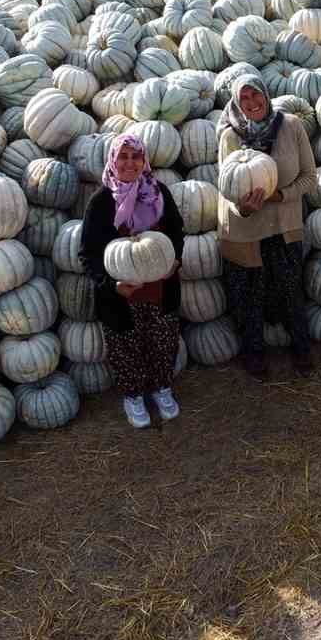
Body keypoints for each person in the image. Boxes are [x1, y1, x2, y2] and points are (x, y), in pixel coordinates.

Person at [80, 134, 187, 429]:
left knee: (163, 342)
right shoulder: (101, 202)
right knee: (126, 348)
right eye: (123, 156)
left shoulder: (158, 191)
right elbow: (88, 254)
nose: (129, 162)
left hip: (160, 288)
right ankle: (133, 396)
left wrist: (175, 260)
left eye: (135, 156)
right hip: (120, 297)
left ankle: (162, 388)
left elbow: (177, 232)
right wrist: (112, 286)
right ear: (113, 160)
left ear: (144, 161)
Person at [217, 74, 318, 378]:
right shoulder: (229, 136)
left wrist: (280, 195)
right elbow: (225, 185)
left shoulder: (291, 126)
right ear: (236, 102)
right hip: (244, 228)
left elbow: (310, 179)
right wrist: (242, 207)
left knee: (290, 292)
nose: (251, 102)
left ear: (265, 94)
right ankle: (254, 355)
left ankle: (301, 349)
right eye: (243, 98)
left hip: (283, 224)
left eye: (255, 94)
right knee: (250, 297)